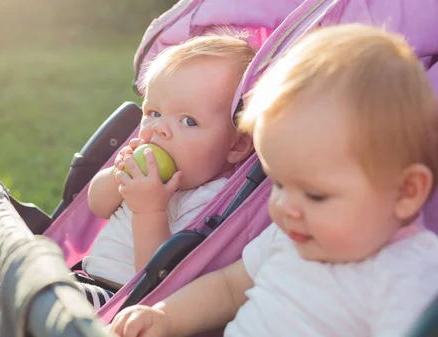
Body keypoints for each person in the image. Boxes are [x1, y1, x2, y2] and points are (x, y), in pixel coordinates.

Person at [0, 33, 256, 337]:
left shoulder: (211, 201)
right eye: (153, 112)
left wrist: (149, 208)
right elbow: (96, 203)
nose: (159, 131)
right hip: (82, 277)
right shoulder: (145, 166)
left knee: (31, 302)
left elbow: (158, 279)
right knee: (20, 290)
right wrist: (117, 179)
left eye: (187, 121)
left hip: (112, 304)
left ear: (236, 145)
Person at [109, 23, 438, 337]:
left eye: (315, 195)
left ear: (406, 192)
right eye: (279, 184)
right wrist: (165, 317)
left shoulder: (410, 273)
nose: (283, 207)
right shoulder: (290, 235)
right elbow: (228, 288)